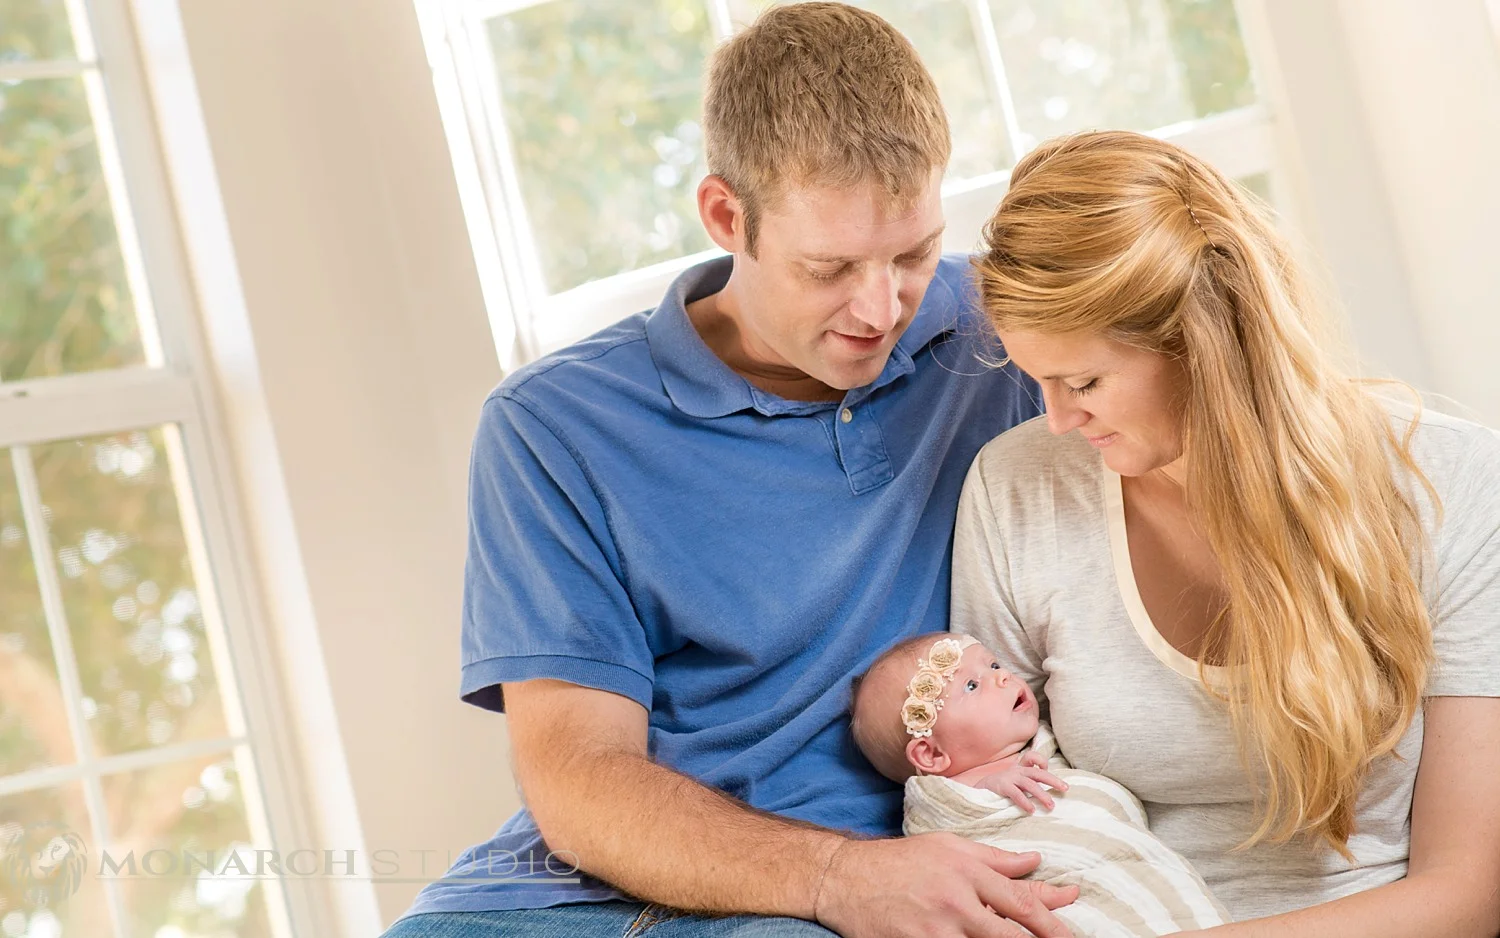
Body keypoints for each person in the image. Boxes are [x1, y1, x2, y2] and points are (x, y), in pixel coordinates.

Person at [380, 5, 1074, 937]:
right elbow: (580, 781)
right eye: (829, 266)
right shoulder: (552, 427)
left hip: (840, 899)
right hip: (560, 902)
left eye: (912, 252)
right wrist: (838, 878)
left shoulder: (1009, 339)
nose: (881, 307)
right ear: (724, 216)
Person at [952, 129, 1500, 937]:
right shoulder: (1016, 487)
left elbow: (1468, 896)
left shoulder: (1447, 482)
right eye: (1038, 382)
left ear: (1204, 349)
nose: (1059, 421)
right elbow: (996, 808)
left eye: (1085, 382)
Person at [852, 633, 1228, 937]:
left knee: (1173, 907)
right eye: (970, 685)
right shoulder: (943, 797)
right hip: (1066, 900)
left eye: (995, 664)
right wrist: (989, 785)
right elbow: (939, 843)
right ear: (932, 757)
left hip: (1132, 869)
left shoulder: (1046, 743)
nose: (1003, 677)